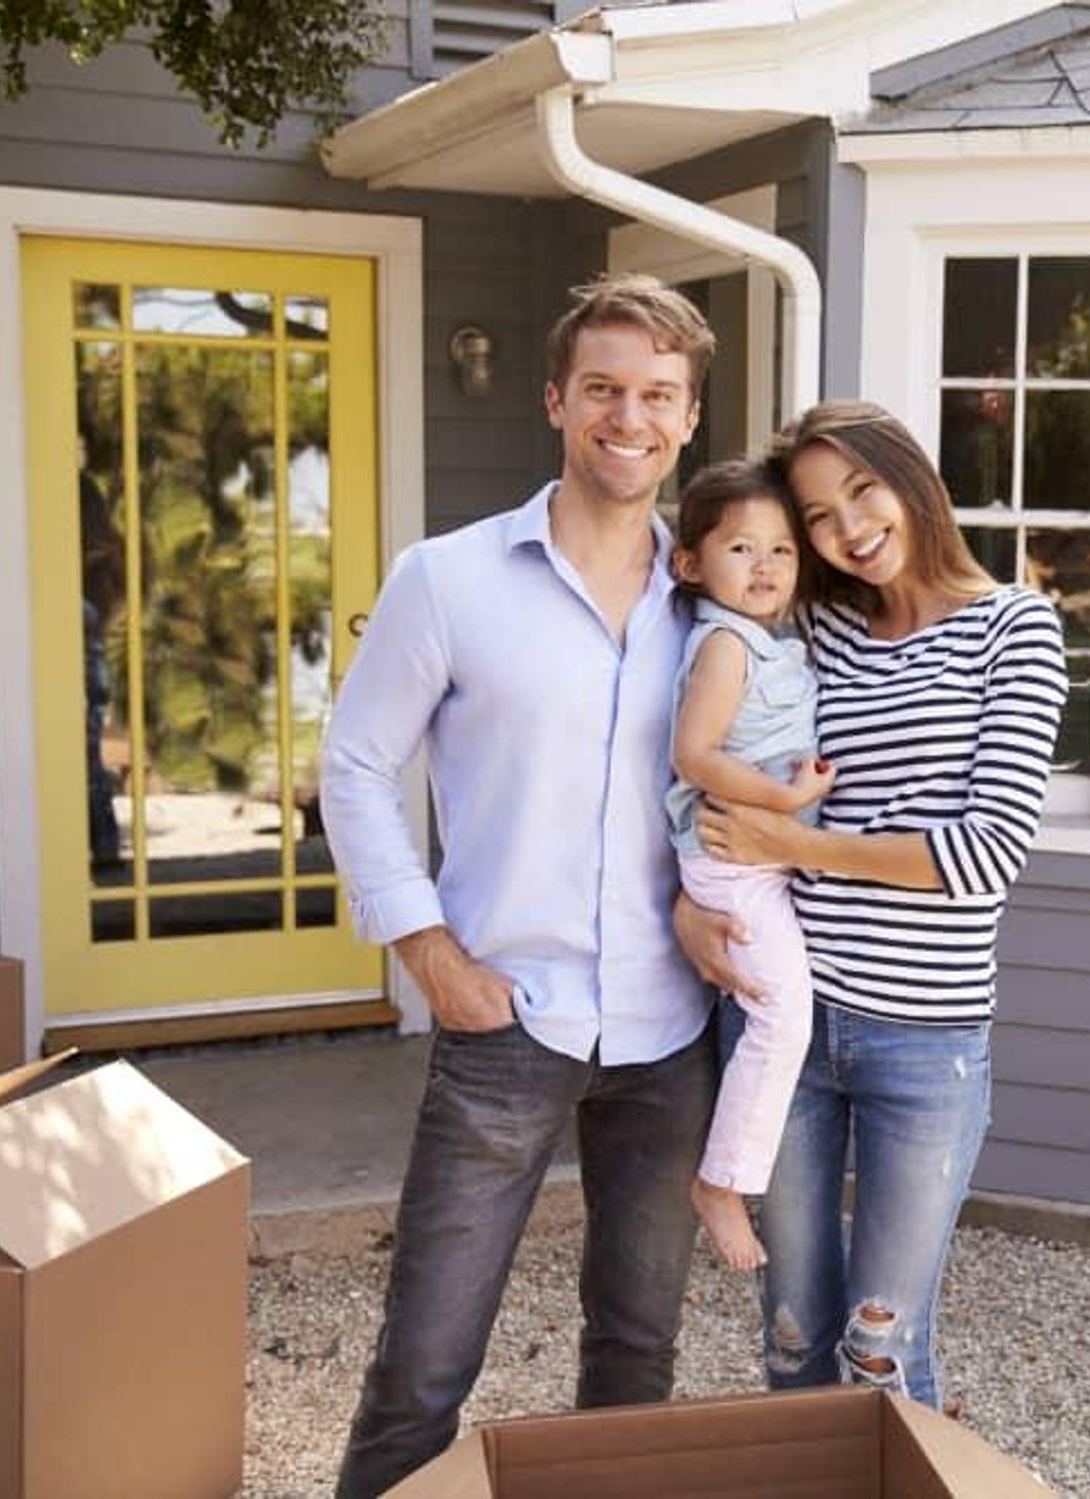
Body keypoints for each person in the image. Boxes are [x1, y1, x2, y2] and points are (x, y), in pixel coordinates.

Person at [319, 274, 718, 1498]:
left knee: (637, 1351)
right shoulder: (448, 578)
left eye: (656, 394)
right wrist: (426, 949)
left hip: (670, 1026)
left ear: (688, 417)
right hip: (505, 1019)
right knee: (424, 1365)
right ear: (555, 400)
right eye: (602, 388)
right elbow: (354, 762)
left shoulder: (712, 598)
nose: (627, 417)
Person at [677, 399, 1067, 1410]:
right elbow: (701, 738)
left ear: (911, 476)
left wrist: (794, 844)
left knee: (879, 1345)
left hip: (925, 1043)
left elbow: (984, 854)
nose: (847, 528)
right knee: (791, 1332)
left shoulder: (1015, 628)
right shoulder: (816, 628)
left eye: (861, 491)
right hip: (785, 1022)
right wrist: (687, 903)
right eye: (817, 515)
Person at [664, 459, 833, 1273]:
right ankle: (721, 1182)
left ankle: (729, 1174)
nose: (765, 566)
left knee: (781, 1007)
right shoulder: (726, 646)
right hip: (733, 858)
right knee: (782, 1015)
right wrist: (784, 798)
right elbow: (694, 754)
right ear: (690, 563)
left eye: (782, 549)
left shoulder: (775, 643)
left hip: (762, 857)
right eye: (741, 548)